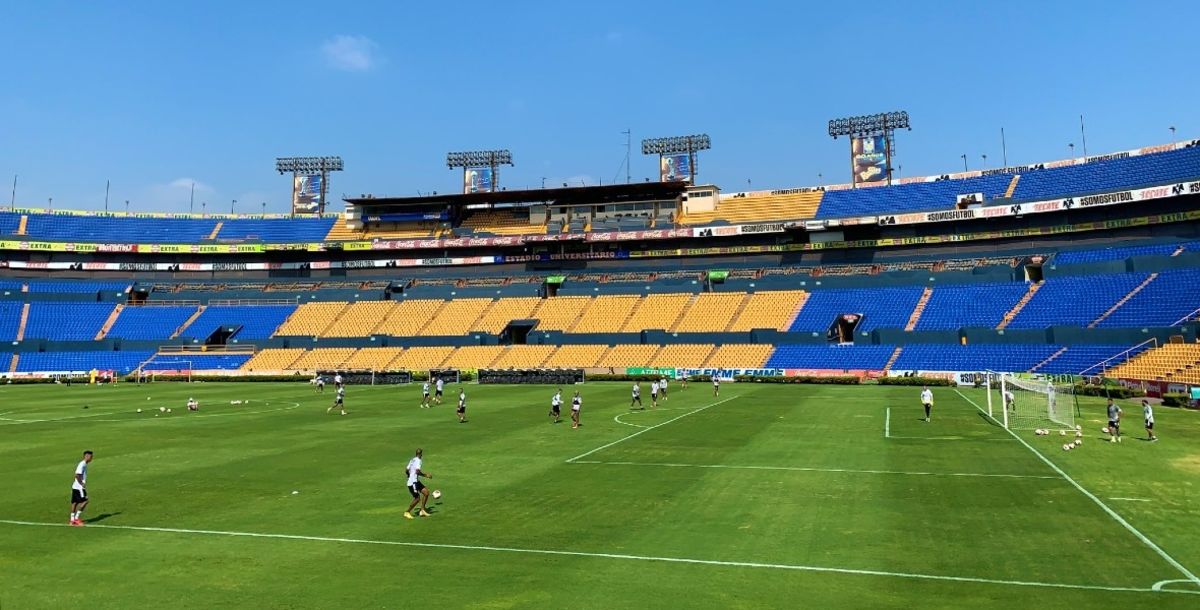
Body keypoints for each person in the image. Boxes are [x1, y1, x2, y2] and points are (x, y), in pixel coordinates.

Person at [404, 448, 433, 519]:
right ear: (420, 454)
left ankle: (422, 510)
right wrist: (425, 475)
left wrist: (409, 475)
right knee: (417, 498)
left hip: (415, 481)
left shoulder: (412, 460)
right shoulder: (419, 461)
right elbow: (417, 471)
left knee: (426, 493)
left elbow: (406, 470)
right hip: (413, 483)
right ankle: (407, 512)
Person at [70, 450, 93, 526]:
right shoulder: (82, 464)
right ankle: (76, 518)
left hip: (75, 486)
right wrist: (82, 483)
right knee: (85, 501)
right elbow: (77, 475)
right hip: (79, 487)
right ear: (86, 456)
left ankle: (72, 520)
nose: (91, 458)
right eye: (91, 456)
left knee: (75, 502)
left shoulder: (83, 464)